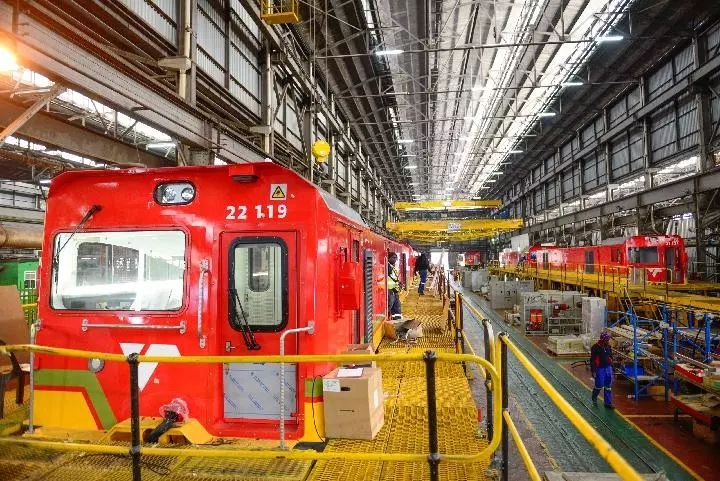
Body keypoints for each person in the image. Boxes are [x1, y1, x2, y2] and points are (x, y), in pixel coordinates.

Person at [590, 331, 615, 409]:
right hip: (600, 368)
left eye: (608, 340)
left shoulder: (608, 347)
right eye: (607, 340)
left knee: (608, 386)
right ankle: (594, 396)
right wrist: (593, 370)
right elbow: (592, 360)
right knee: (599, 384)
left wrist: (612, 367)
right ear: (603, 340)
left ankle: (608, 403)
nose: (608, 341)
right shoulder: (595, 347)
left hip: (608, 368)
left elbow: (611, 356)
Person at [387, 252, 402, 319]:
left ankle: (397, 320)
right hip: (390, 290)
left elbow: (394, 277)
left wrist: (399, 282)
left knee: (397, 306)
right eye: (393, 257)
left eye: (396, 258)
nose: (395, 259)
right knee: (390, 306)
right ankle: (390, 319)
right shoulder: (387, 266)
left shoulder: (393, 267)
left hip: (395, 290)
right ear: (388, 258)